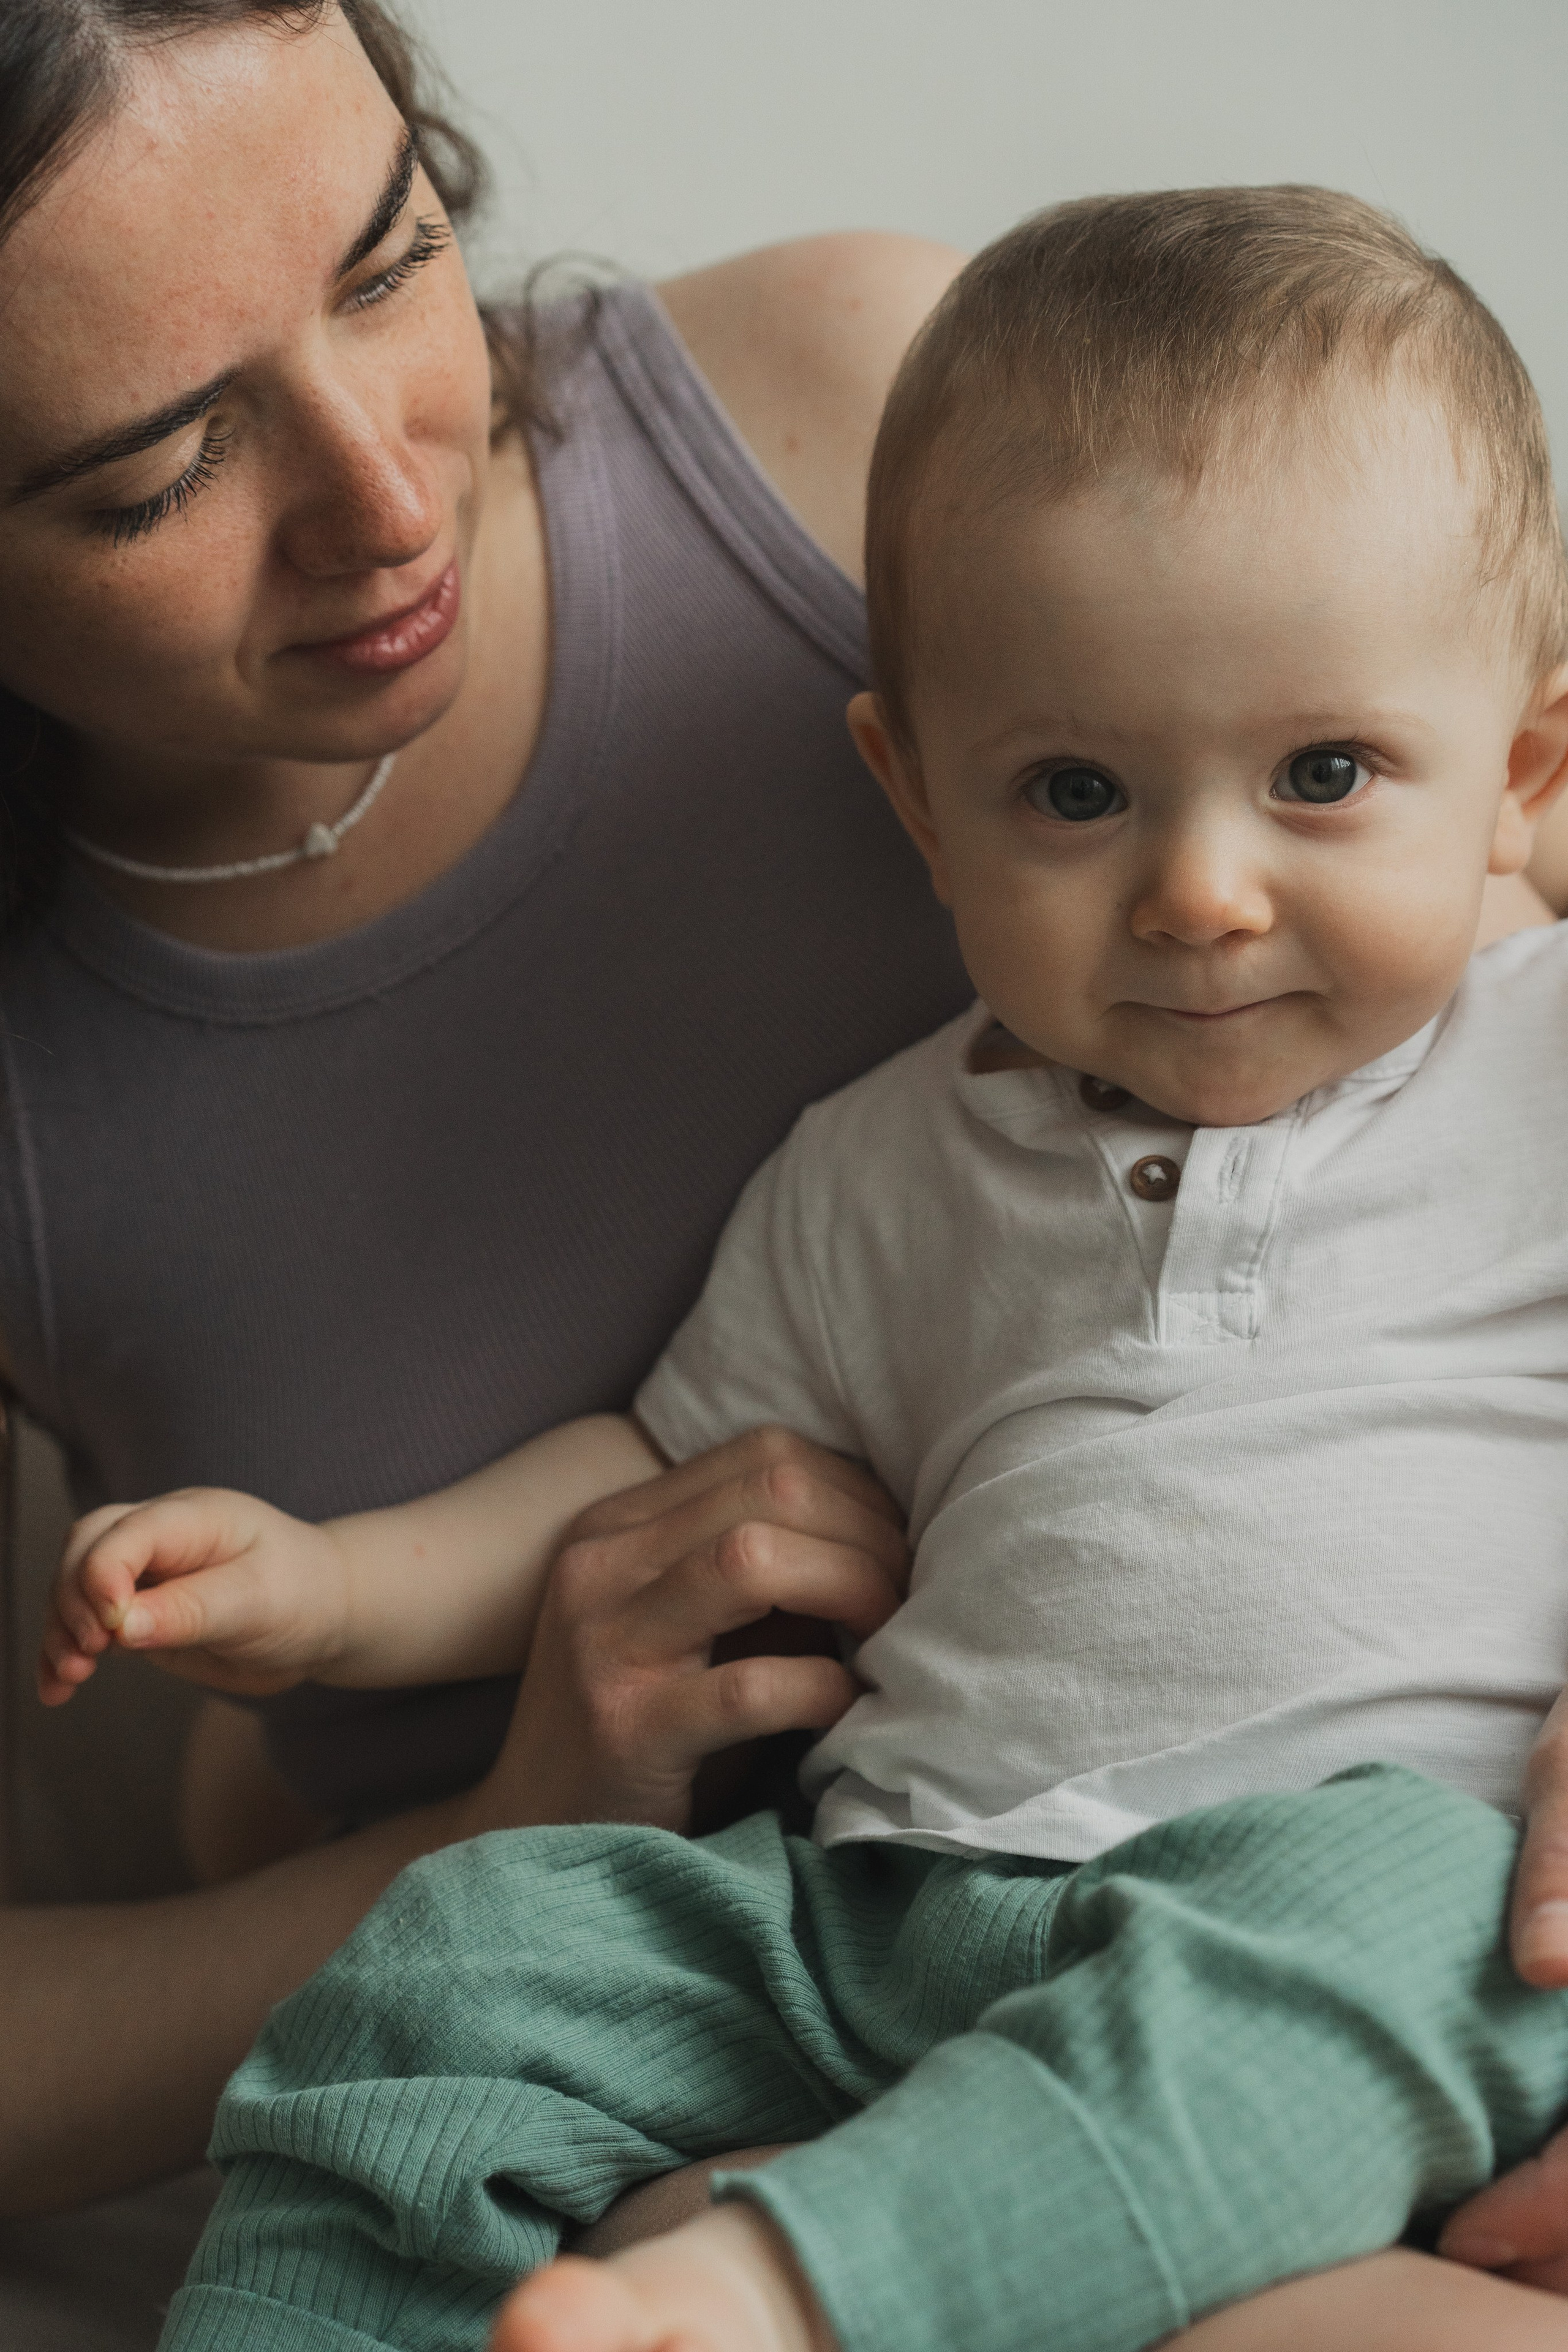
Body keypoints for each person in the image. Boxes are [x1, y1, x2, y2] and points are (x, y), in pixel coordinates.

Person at [55, 187, 1568, 2352]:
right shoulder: (889, 1159)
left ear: (1519, 773)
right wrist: (333, 1588)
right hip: (879, 1899)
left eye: (1324, 776)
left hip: (1341, 1889)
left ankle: (802, 2283)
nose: (1205, 892)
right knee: (467, 1954)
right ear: (919, 805)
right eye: (1075, 792)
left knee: (1406, 1921)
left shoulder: (1541, 1067)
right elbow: (647, 1469)